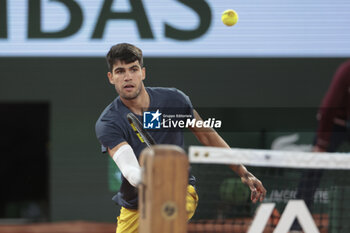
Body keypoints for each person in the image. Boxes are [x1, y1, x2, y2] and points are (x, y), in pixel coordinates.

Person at [95, 43, 266, 233]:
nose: (127, 76)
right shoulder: (109, 122)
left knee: (163, 224)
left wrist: (243, 171)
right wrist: (149, 178)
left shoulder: (174, 102)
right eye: (120, 71)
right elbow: (129, 169)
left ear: (143, 73)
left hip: (179, 191)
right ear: (111, 78)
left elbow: (208, 137)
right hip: (136, 204)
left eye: (133, 69)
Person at [292, 60, 350, 232]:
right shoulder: (347, 70)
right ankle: (297, 221)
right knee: (312, 169)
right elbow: (328, 107)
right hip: (335, 123)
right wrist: (321, 144)